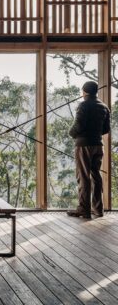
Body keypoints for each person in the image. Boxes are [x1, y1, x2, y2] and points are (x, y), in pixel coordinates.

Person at [67, 81, 110, 219]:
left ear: (84, 92)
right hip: (98, 145)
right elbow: (106, 129)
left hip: (84, 145)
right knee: (95, 175)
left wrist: (71, 134)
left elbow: (78, 126)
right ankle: (98, 209)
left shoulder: (83, 105)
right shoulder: (104, 107)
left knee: (83, 176)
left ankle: (83, 210)